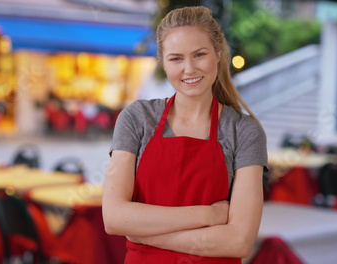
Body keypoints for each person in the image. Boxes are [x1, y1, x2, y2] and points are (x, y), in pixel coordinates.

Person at [102, 6, 268, 264]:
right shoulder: (137, 119)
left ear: (218, 53)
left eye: (199, 54)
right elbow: (114, 218)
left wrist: (143, 234)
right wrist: (207, 216)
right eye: (176, 58)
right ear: (163, 63)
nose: (189, 69)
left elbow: (239, 241)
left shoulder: (244, 131)